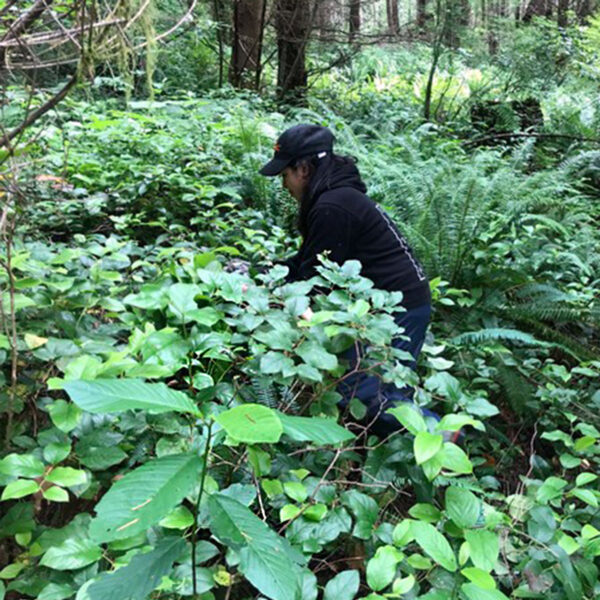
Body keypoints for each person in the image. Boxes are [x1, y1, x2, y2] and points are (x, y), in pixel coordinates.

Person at [259, 123, 433, 438]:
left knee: (371, 398)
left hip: (402, 307)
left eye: (285, 175)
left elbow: (314, 280)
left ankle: (445, 437)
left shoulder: (333, 206)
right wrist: (265, 272)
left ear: (304, 169)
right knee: (371, 393)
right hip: (388, 304)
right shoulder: (333, 199)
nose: (285, 185)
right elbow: (311, 263)